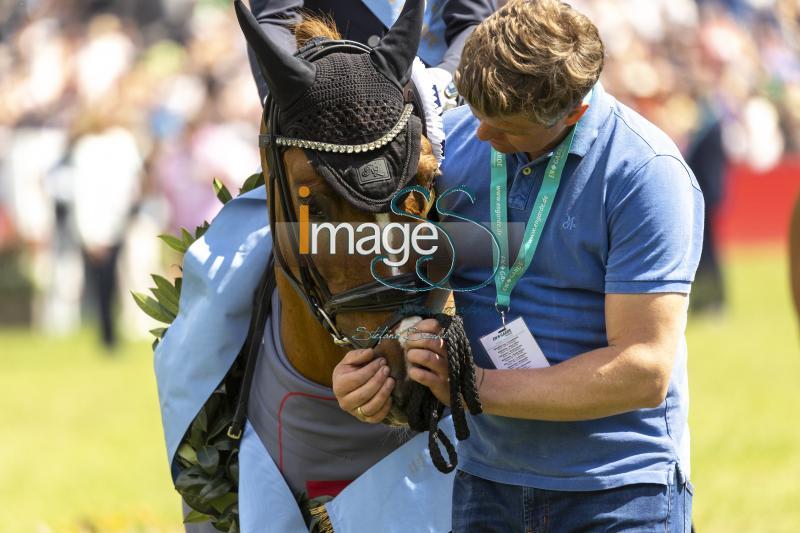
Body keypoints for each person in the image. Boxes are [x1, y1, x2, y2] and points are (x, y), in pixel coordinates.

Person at [332, 1, 704, 530]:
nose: (482, 136)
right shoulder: (453, 145)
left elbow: (642, 369)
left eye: (505, 128)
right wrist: (376, 375)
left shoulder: (646, 174)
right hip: (486, 484)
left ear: (572, 112)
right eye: (478, 114)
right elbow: (413, 297)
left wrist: (472, 386)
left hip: (619, 492)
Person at [246, 0, 496, 107]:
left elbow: (474, 24)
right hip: (333, 103)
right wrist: (288, 95)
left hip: (435, 99)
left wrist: (442, 84)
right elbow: (277, 20)